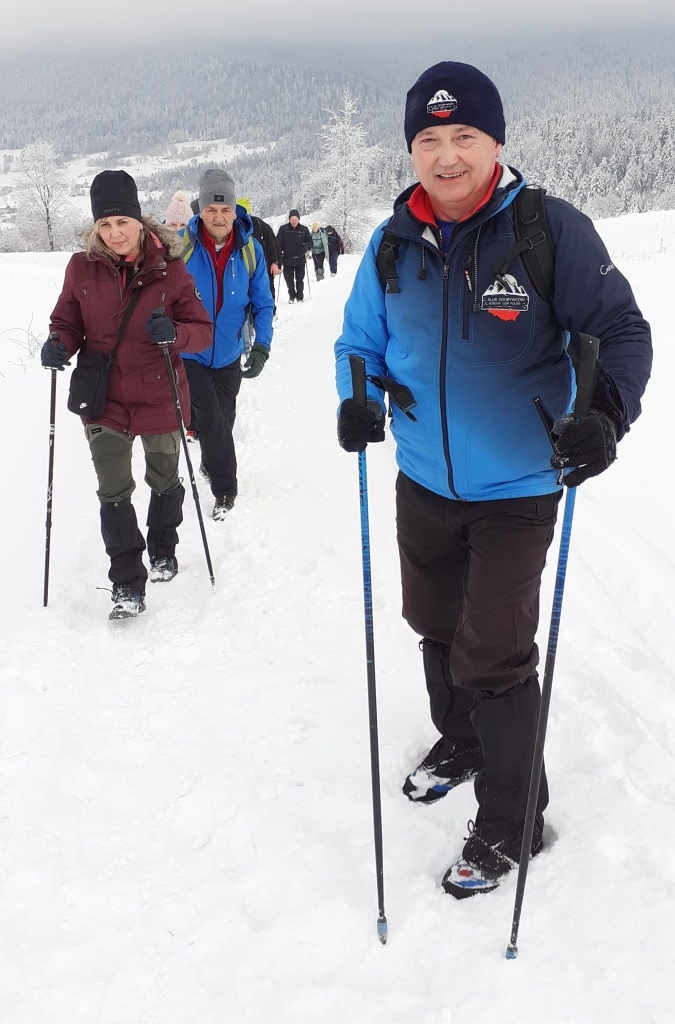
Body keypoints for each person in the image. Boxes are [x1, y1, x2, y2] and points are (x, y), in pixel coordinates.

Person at [335, 61, 652, 899]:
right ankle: (465, 739)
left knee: (494, 651)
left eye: (463, 136)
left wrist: (605, 413)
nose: (446, 156)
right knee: (433, 622)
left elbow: (621, 330)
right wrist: (356, 400)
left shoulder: (547, 230)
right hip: (422, 477)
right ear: (411, 150)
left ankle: (514, 819)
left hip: (517, 485)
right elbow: (358, 344)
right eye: (428, 139)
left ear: (495, 142)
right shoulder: (391, 243)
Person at [41, 170, 213, 620]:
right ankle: (126, 583)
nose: (114, 233)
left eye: (122, 222)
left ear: (139, 220)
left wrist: (175, 333)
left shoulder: (170, 269)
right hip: (105, 399)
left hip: (160, 393)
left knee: (164, 479)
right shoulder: (81, 267)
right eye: (105, 224)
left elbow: (202, 331)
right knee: (113, 489)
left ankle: (163, 547)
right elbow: (67, 322)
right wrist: (59, 343)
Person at [181, 169, 274, 520]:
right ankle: (225, 489)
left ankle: (211, 462)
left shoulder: (250, 250)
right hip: (191, 352)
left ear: (234, 211)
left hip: (230, 353)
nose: (218, 217)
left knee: (225, 416)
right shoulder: (181, 247)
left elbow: (263, 303)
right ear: (200, 210)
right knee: (210, 419)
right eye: (211, 210)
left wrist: (261, 346)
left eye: (225, 210)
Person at [236, 197, 282, 306]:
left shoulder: (258, 223)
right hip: (245, 265)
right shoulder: (235, 224)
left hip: (263, 264)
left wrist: (275, 262)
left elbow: (272, 243)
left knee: (265, 288)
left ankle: (270, 310)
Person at [276, 209, 311, 302]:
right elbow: (277, 243)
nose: (294, 221)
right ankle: (291, 296)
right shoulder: (283, 229)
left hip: (300, 259)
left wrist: (307, 246)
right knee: (289, 280)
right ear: (289, 219)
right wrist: (279, 252)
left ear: (299, 219)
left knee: (300, 279)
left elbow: (310, 242)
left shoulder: (304, 229)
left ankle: (300, 296)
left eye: (296, 219)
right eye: (292, 219)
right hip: (287, 259)